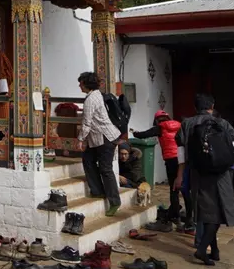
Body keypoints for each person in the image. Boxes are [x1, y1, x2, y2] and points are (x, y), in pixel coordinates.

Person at [174, 93, 234, 266]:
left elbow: (180, 152)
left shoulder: (187, 124)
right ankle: (202, 249)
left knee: (206, 212)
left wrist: (180, 175)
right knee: (217, 214)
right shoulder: (223, 124)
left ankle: (215, 251)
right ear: (212, 106)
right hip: (221, 175)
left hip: (198, 173)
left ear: (195, 108)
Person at [133, 110, 191, 228]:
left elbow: (144, 135)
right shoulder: (180, 125)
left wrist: (135, 133)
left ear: (157, 120)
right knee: (185, 189)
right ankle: (190, 219)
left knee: (173, 189)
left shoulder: (160, 128)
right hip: (182, 160)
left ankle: (175, 216)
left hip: (170, 161)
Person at [77, 71, 122, 216]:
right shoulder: (96, 94)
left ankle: (114, 201)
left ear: (86, 84)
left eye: (81, 83)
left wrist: (80, 139)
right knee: (88, 160)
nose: (79, 85)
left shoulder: (91, 99)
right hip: (99, 138)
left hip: (105, 138)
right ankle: (97, 191)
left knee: (105, 169)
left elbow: (86, 122)